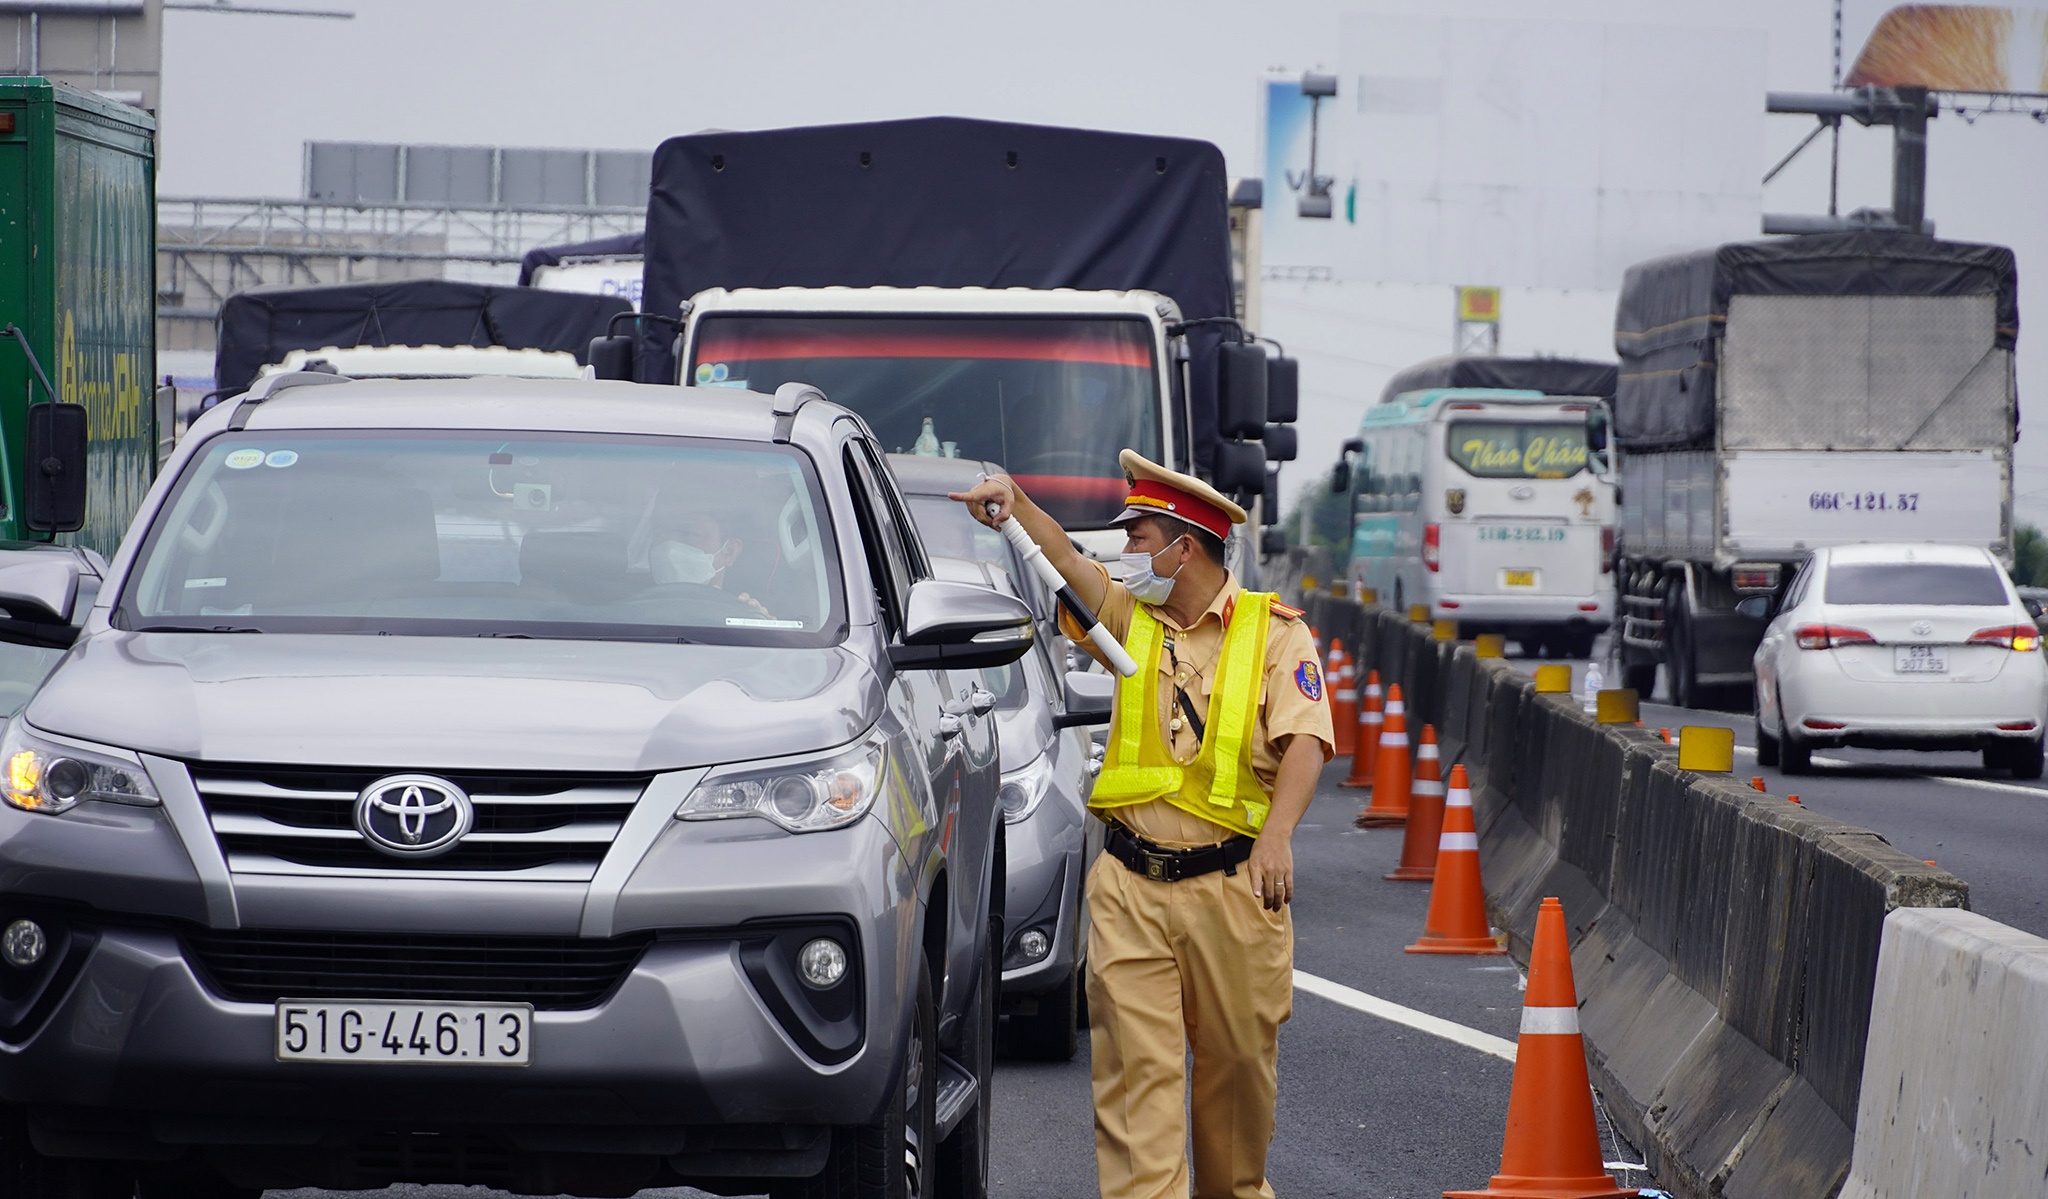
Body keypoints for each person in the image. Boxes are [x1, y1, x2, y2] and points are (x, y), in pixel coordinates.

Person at [952, 449, 1333, 1199]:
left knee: (1236, 1093)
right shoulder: (1132, 618)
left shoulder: (1277, 636)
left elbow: (1307, 743)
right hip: (1130, 887)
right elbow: (1061, 555)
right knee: (1135, 1090)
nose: (1124, 551)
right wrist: (1016, 502)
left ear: (1182, 546)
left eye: (1137, 536)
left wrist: (1280, 833)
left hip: (1233, 892)